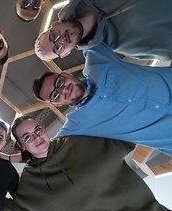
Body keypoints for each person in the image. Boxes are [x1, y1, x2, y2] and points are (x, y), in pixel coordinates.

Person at [1, 115, 172, 211]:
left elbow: (125, 128)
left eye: (38, 129)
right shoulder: (27, 187)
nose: (37, 137)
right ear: (20, 146)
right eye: (28, 137)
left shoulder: (79, 142)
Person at [32, 42, 172, 157]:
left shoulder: (97, 64)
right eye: (55, 95)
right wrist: (10, 157)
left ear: (65, 74)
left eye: (60, 82)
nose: (63, 90)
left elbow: (84, 31)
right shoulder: (77, 124)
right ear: (56, 104)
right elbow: (46, 153)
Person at [34, 0, 172, 61]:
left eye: (54, 36)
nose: (62, 40)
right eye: (58, 49)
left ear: (55, 23)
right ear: (65, 53)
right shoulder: (125, 46)